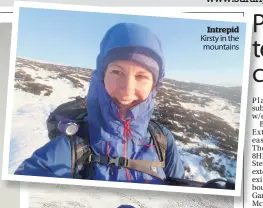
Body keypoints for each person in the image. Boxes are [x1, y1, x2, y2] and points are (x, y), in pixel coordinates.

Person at [14, 22, 185, 184]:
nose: (127, 89)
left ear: (154, 85)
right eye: (117, 72)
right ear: (102, 76)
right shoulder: (70, 147)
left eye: (141, 76)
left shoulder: (162, 140)